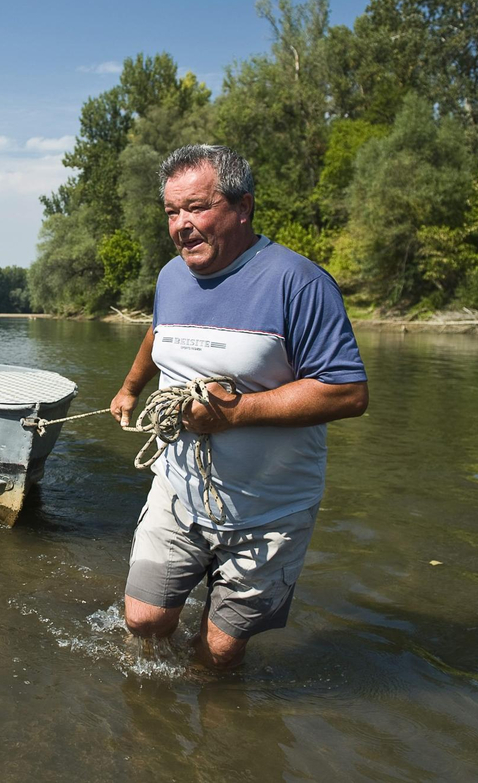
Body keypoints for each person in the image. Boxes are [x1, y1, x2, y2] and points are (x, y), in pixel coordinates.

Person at [109, 144, 369, 669]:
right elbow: (159, 335)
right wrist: (130, 388)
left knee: (219, 657)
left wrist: (235, 414)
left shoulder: (299, 282)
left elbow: (347, 391)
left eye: (197, 208)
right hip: (178, 490)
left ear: (243, 206)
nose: (182, 225)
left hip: (269, 509)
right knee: (142, 621)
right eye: (171, 212)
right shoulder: (171, 277)